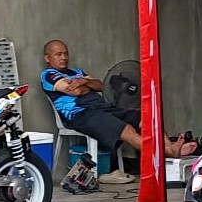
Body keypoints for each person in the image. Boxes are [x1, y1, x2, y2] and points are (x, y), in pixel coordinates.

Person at [40, 40, 194, 185]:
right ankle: (167, 151)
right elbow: (75, 92)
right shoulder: (48, 75)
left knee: (147, 117)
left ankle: (169, 147)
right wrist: (85, 86)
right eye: (58, 54)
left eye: (65, 53)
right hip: (81, 114)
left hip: (103, 108)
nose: (64, 57)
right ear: (47, 58)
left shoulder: (76, 72)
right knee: (127, 129)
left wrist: (83, 81)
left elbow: (101, 86)